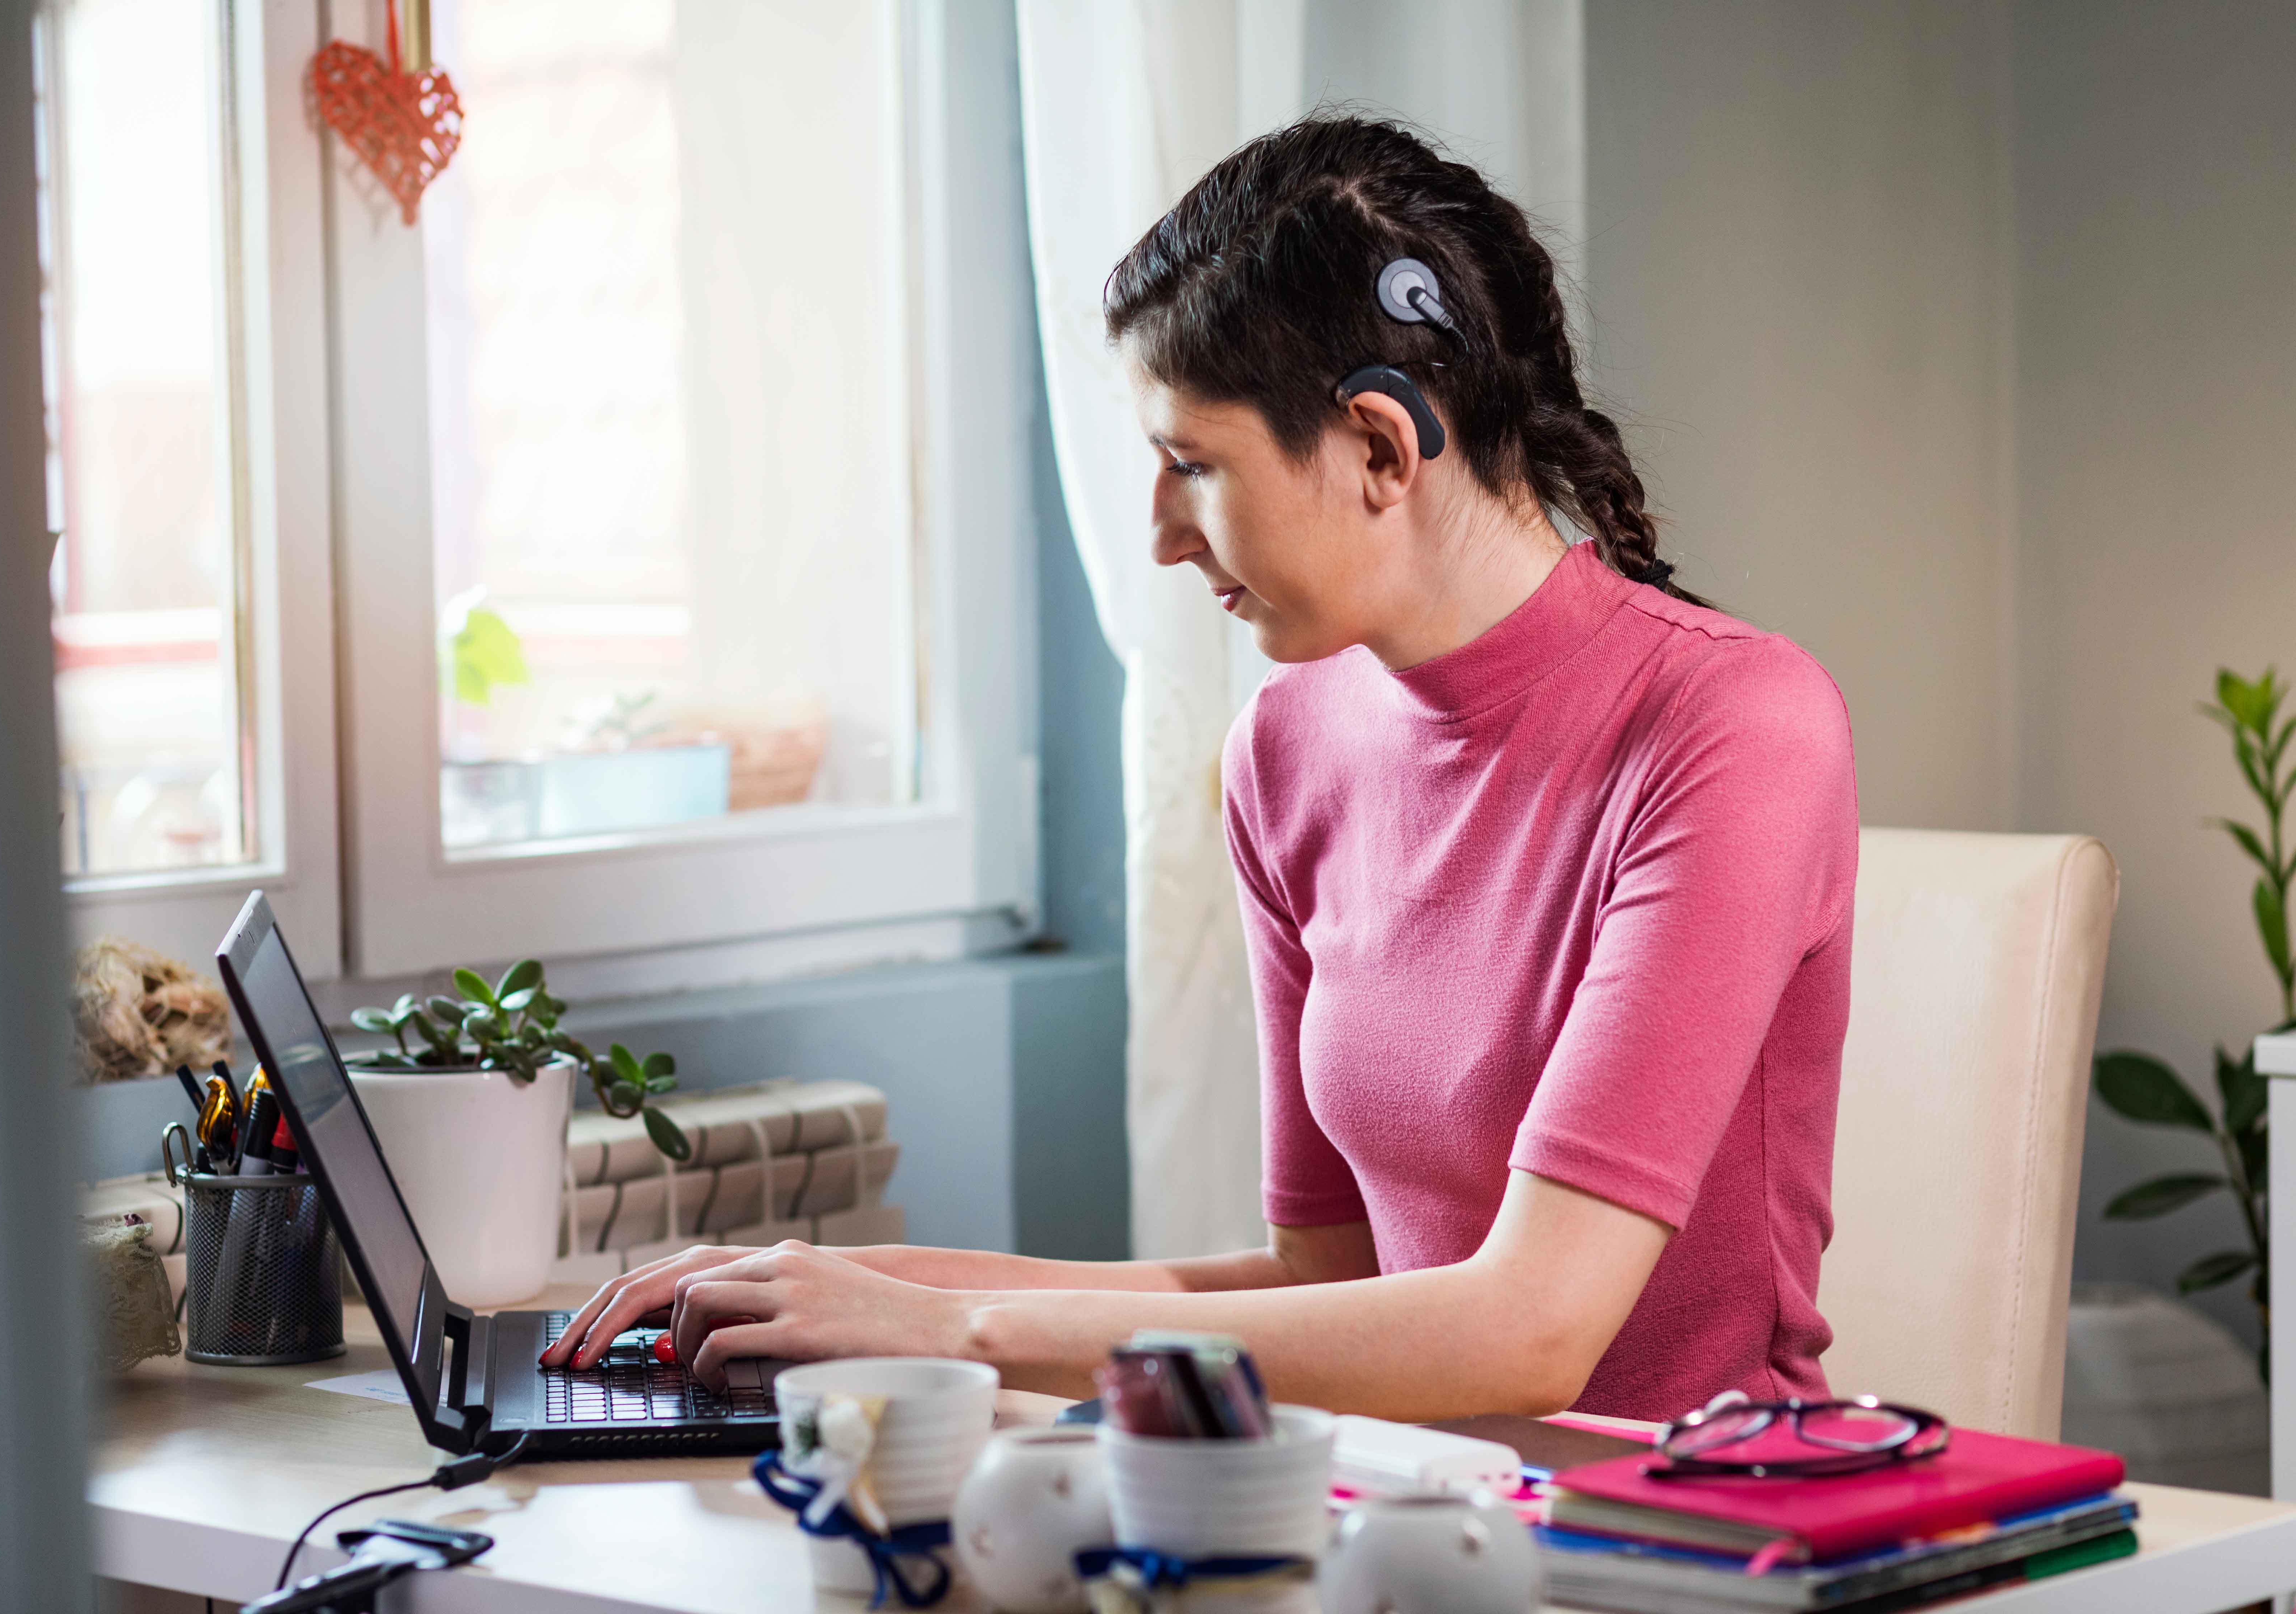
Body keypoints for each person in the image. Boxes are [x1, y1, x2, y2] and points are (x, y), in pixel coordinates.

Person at [542, 116, 1857, 1424]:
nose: (1164, 535)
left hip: (1691, 1535)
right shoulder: (1286, 752)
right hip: (1384, 1513)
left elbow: (1528, 1334)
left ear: (1381, 449)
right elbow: (1314, 1283)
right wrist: (836, 1287)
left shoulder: (1729, 728)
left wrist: (957, 1329)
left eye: (1191, 464)